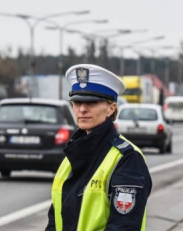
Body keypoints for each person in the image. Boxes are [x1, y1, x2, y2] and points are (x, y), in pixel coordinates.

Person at [45, 64, 152, 231]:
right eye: (77, 101)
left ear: (111, 108)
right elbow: (55, 219)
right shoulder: (71, 155)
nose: (82, 109)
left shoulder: (127, 159)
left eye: (91, 102)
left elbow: (124, 227)